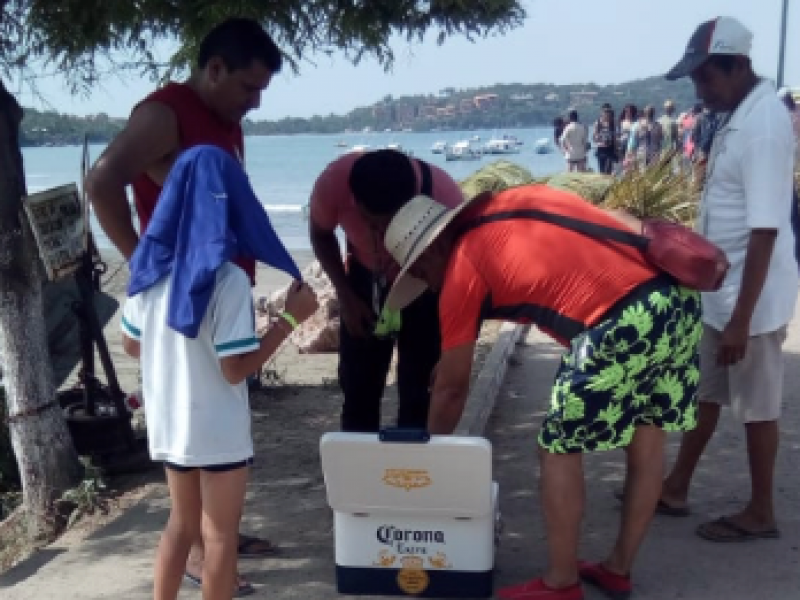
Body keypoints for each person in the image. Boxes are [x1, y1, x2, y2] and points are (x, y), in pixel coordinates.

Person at [379, 185, 702, 600]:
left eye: (420, 274)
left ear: (429, 252)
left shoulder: (461, 264)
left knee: (558, 448)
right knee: (648, 435)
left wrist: (430, 459)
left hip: (620, 319)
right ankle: (617, 569)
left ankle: (561, 582)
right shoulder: (515, 204)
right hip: (675, 298)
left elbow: (450, 392)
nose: (428, 284)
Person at [86, 17, 283, 592]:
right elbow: (103, 182)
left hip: (192, 312)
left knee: (186, 509)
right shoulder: (163, 114)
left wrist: (158, 284)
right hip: (195, 299)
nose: (254, 102)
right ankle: (210, 562)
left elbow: (130, 342)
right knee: (215, 515)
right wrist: (152, 266)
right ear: (214, 68)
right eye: (248, 88)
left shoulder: (223, 120)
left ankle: (198, 560)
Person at [121, 146, 319, 600]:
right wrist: (291, 319)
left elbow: (133, 345)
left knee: (180, 526)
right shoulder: (227, 281)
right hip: (217, 428)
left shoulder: (148, 270)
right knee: (219, 538)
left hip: (171, 423)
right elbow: (235, 370)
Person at [659, 16, 798, 543]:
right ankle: (675, 485)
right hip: (724, 295)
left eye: (706, 78)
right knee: (706, 395)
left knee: (757, 408)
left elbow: (764, 231)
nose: (699, 89)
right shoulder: (739, 114)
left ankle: (762, 510)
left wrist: (742, 320)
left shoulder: (762, 127)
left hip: (751, 303)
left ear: (738, 66)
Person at [308, 149, 463, 433]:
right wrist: (345, 295)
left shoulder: (443, 196)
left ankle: (413, 470)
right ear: (354, 201)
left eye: (393, 224)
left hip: (424, 283)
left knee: (420, 388)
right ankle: (360, 468)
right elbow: (320, 233)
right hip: (363, 281)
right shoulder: (334, 184)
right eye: (374, 224)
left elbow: (459, 272)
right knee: (358, 387)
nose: (382, 234)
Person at [593, 104, 617, 174]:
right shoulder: (598, 123)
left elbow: (615, 138)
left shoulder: (613, 123)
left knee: (608, 170)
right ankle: (603, 184)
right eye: (605, 112)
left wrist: (616, 150)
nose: (607, 114)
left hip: (610, 149)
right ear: (602, 113)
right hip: (601, 149)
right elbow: (594, 137)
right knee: (602, 171)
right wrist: (598, 138)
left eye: (608, 112)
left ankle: (608, 183)